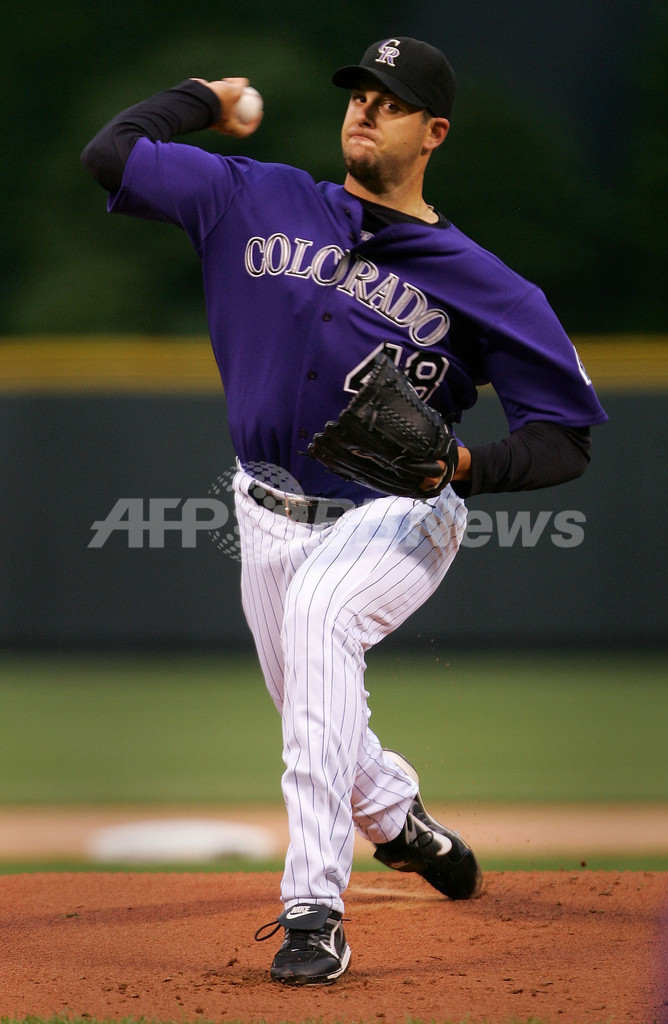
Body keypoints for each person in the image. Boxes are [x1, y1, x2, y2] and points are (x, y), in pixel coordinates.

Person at [82, 35, 607, 985]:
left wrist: (461, 464)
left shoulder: (489, 285)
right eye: (359, 92)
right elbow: (112, 155)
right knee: (312, 708)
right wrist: (200, 96)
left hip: (398, 514)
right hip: (267, 510)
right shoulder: (255, 197)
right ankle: (396, 821)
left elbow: (563, 437)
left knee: (324, 623)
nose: (365, 108)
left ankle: (311, 911)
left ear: (431, 132)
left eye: (392, 100)